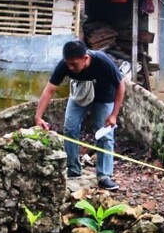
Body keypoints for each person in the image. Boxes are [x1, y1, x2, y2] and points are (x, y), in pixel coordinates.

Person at [35, 39, 126, 190]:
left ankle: (104, 176)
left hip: (103, 97)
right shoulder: (65, 65)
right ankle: (73, 169)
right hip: (79, 94)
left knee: (104, 134)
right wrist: (38, 116)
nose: (70, 67)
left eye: (74, 64)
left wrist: (114, 115)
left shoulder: (103, 61)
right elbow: (49, 90)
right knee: (70, 128)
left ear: (85, 58)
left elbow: (120, 86)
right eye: (68, 63)